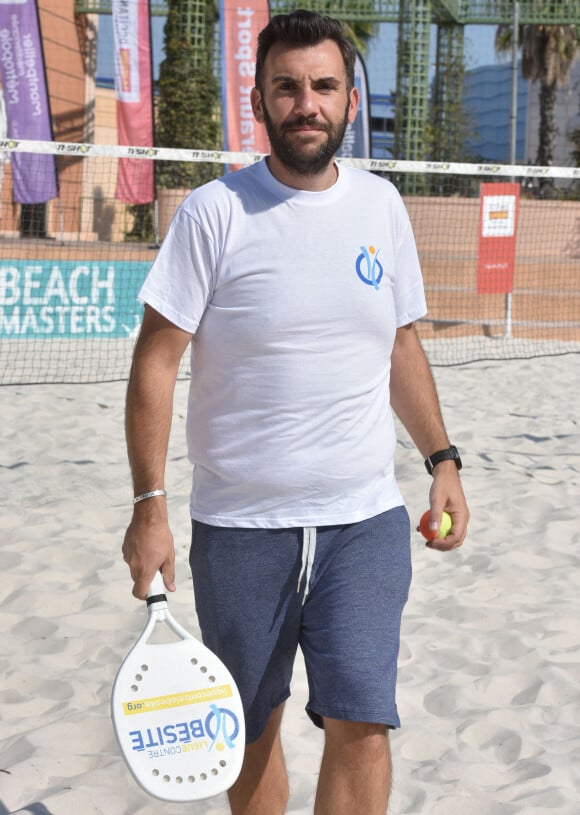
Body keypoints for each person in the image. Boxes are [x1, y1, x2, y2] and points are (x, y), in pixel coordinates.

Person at [122, 9, 469, 814]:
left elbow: (402, 348)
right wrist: (149, 507)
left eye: (322, 86)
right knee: (251, 728)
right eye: (287, 87)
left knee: (365, 723)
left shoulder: (383, 207)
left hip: (364, 522)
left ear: (350, 98)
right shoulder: (214, 213)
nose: (305, 103)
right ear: (260, 100)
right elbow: (155, 363)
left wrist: (442, 461)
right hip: (241, 526)